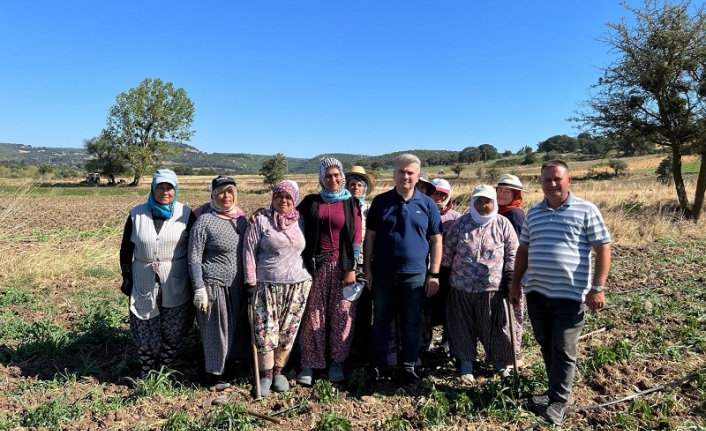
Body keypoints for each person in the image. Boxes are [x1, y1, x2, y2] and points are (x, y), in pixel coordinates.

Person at [509, 160, 611, 425]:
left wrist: (598, 287)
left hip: (571, 294)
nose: (552, 184)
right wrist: (515, 284)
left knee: (564, 348)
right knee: (546, 343)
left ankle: (559, 401)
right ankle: (553, 392)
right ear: (540, 182)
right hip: (537, 292)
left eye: (557, 179)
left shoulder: (586, 210)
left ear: (569, 180)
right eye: (547, 180)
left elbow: (603, 249)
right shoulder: (533, 213)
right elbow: (523, 250)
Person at [365, 153, 442, 383]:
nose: (405, 176)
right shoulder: (380, 202)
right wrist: (368, 270)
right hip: (383, 274)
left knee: (411, 322)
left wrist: (433, 274)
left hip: (415, 275)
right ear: (394, 174)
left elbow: (436, 240)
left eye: (410, 172)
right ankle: (378, 365)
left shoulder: (427, 204)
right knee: (380, 321)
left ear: (417, 176)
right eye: (401, 171)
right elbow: (370, 237)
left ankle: (409, 365)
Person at [119, 169, 196, 378]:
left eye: (169, 187)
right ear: (152, 189)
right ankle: (147, 368)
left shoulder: (186, 214)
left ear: (176, 190)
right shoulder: (137, 214)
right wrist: (127, 277)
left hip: (175, 278)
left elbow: (196, 247)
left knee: (173, 327)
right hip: (143, 278)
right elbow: (126, 249)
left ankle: (166, 366)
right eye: (160, 187)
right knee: (144, 323)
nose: (165, 192)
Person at [441, 185, 518, 382]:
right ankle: (466, 366)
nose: (483, 205)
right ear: (473, 202)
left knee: (495, 327)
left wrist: (510, 276)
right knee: (461, 327)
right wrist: (443, 275)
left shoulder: (502, 224)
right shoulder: (461, 224)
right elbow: (448, 251)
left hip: (492, 288)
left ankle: (501, 364)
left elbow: (512, 252)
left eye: (487, 201)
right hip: (461, 287)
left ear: (494, 202)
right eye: (479, 201)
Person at [296, 158, 362, 385]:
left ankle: (337, 361)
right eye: (328, 176)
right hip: (316, 267)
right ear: (321, 178)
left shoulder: (351, 203)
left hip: (343, 268)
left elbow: (356, 239)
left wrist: (351, 268)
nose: (333, 180)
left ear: (342, 176)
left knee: (343, 314)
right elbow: (287, 217)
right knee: (314, 314)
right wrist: (261, 214)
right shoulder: (311, 202)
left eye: (336, 175)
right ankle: (310, 363)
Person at [244, 180, 312, 397]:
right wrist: (250, 282)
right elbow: (248, 252)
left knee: (288, 331)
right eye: (279, 196)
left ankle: (279, 371)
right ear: (272, 198)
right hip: (266, 285)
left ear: (296, 200)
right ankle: (265, 374)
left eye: (288, 197)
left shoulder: (301, 221)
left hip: (297, 285)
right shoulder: (261, 220)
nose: (283, 201)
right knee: (265, 331)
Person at [188, 176, 250, 385]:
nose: (226, 196)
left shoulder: (241, 221)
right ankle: (214, 374)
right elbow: (194, 258)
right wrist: (199, 287)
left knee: (236, 327)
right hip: (214, 285)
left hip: (237, 286)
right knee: (216, 329)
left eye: (230, 191)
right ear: (213, 195)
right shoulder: (205, 222)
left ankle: (232, 366)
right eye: (221, 191)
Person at [344, 166, 377, 367]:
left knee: (364, 309)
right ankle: (343, 351)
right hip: (345, 264)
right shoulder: (340, 206)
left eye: (359, 185)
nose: (355, 188)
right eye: (352, 184)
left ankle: (361, 351)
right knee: (344, 308)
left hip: (366, 264)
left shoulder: (370, 209)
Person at [426, 178, 461, 350]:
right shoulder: (422, 211)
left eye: (442, 194)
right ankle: (426, 340)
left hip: (449, 270)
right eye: (435, 193)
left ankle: (447, 343)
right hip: (426, 268)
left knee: (449, 306)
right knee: (427, 307)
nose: (438, 197)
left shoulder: (456, 218)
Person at [495, 174, 526, 366]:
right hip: (498, 274)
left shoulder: (514, 214)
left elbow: (519, 249)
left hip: (511, 275)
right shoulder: (496, 212)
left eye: (508, 191)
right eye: (500, 190)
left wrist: (513, 277)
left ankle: (514, 356)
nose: (502, 194)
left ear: (515, 194)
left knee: (512, 315)